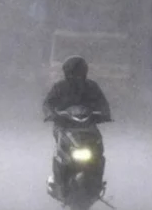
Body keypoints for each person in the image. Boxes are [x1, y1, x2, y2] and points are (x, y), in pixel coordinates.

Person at [42, 55, 111, 195]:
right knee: (60, 148)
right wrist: (51, 114)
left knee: (98, 145)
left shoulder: (92, 87)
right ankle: (59, 180)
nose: (76, 76)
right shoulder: (59, 87)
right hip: (64, 126)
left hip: (88, 126)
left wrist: (104, 114)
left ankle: (97, 180)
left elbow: (103, 103)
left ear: (85, 72)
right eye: (73, 73)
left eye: (79, 73)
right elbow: (48, 103)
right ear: (67, 73)